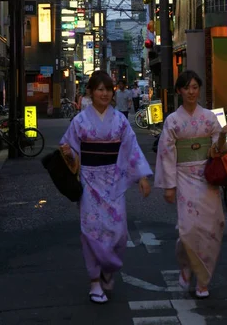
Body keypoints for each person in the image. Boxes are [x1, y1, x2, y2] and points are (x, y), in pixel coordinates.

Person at [60, 70, 152, 304]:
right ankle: (94, 280)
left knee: (118, 232)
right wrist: (69, 155)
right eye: (99, 89)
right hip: (89, 180)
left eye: (108, 89)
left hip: (113, 180)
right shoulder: (80, 120)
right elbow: (68, 147)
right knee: (91, 230)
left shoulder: (120, 121)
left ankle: (107, 268)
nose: (104, 94)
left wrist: (142, 176)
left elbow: (131, 148)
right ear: (91, 92)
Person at [154, 70, 227, 299]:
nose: (191, 92)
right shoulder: (173, 120)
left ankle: (203, 280)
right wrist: (169, 185)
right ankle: (187, 267)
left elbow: (219, 150)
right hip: (184, 176)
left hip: (207, 176)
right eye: (187, 87)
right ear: (179, 91)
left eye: (195, 87)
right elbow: (166, 153)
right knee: (188, 230)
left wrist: (223, 138)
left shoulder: (210, 117)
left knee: (213, 226)